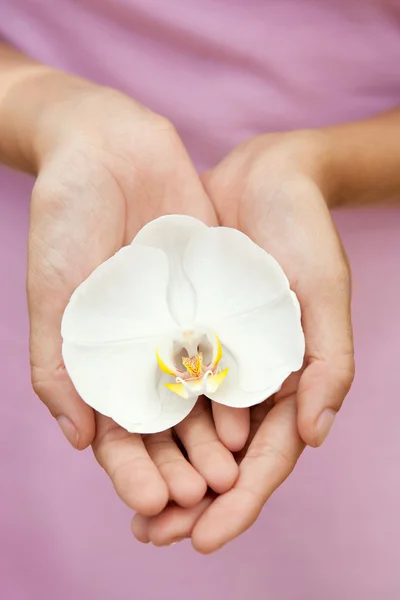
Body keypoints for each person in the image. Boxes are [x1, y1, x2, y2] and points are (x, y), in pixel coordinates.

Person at [0, 1, 399, 555]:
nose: (192, 362)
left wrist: (322, 164)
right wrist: (44, 112)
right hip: (55, 239)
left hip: (356, 278)